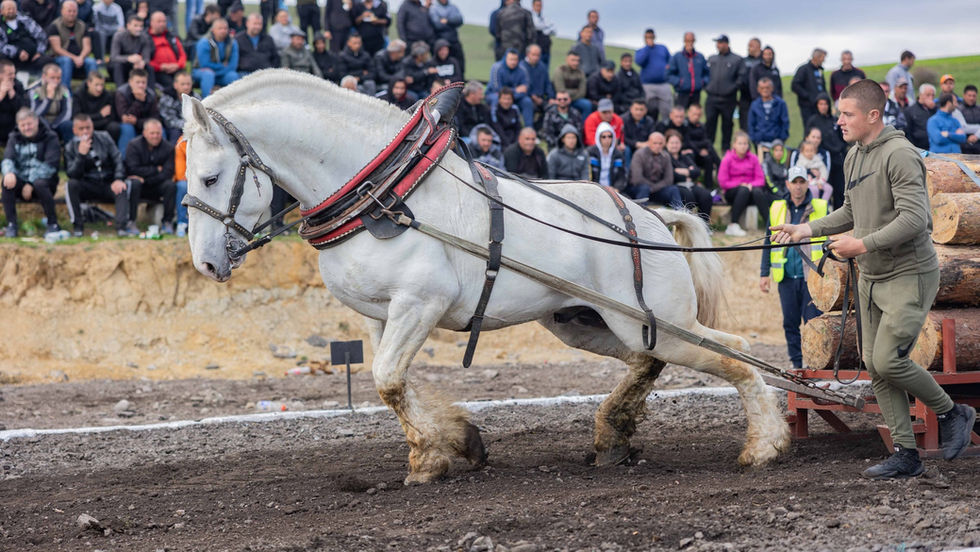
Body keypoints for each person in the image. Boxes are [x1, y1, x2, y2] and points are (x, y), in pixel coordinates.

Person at [771, 79, 977, 479]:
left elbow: (916, 219)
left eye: (847, 114)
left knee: (887, 359)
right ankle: (906, 454)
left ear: (872, 115)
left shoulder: (899, 155)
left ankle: (954, 413)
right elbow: (850, 210)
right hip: (872, 277)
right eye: (840, 113)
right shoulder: (853, 156)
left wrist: (861, 245)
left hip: (909, 274)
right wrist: (805, 229)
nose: (840, 121)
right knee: (874, 365)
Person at [760, 165, 826, 369]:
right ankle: (797, 364)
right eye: (794, 182)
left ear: (807, 184)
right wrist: (764, 273)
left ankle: (815, 364)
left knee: (813, 323)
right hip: (787, 276)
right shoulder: (777, 207)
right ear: (787, 184)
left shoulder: (821, 207)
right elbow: (768, 242)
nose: (798, 187)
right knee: (790, 323)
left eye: (802, 182)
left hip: (813, 277)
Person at [64, 113, 138, 236]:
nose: (86, 131)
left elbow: (118, 158)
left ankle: (121, 227)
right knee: (71, 185)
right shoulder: (70, 147)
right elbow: (72, 174)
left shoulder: (104, 137)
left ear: (92, 126)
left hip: (108, 182)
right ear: (74, 130)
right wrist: (81, 156)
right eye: (81, 129)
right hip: (88, 184)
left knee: (122, 186)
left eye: (88, 127)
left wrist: (118, 178)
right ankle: (78, 226)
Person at [1, 108, 61, 237]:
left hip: (44, 183)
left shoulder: (50, 137)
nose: (27, 128)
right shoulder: (13, 137)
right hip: (22, 181)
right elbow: (7, 159)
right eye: (23, 125)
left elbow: (51, 166)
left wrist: (30, 183)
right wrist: (9, 172)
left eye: (29, 124)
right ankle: (11, 225)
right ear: (18, 125)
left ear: (37, 121)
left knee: (40, 183)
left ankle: (53, 223)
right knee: (7, 181)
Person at [124, 117, 175, 233]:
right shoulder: (133, 145)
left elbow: (168, 172)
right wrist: (156, 169)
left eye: (158, 133)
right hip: (139, 186)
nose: (155, 136)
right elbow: (132, 169)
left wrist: (147, 178)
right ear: (145, 133)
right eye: (152, 133)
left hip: (156, 185)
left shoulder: (169, 148)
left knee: (170, 185)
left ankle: (167, 222)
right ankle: (131, 221)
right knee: (134, 183)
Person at [718, 130, 769, 236]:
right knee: (743, 190)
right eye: (740, 143)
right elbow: (723, 182)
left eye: (745, 143)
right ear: (734, 145)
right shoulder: (727, 159)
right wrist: (741, 184)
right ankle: (733, 225)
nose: (743, 146)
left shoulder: (753, 158)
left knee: (758, 192)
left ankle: (769, 225)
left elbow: (761, 179)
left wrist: (750, 185)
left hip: (750, 190)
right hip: (732, 192)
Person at [806, 93, 847, 208]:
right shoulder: (813, 121)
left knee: (840, 189)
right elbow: (808, 140)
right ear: (817, 105)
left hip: (838, 159)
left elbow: (842, 137)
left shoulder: (834, 120)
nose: (823, 106)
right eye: (821, 104)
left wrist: (842, 149)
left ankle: (840, 214)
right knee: (825, 188)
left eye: (825, 104)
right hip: (822, 158)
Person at [705, 34, 744, 152]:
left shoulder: (736, 59)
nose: (718, 45)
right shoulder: (712, 59)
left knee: (727, 126)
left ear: (726, 44)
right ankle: (708, 151)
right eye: (717, 43)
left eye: (721, 43)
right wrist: (706, 87)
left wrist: (731, 89)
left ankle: (726, 152)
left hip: (728, 99)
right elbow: (704, 74)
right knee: (710, 124)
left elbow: (741, 78)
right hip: (712, 98)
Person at [48, 1, 98, 88]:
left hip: (80, 58)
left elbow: (87, 47)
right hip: (60, 58)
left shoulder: (82, 25)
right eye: (69, 11)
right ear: (62, 11)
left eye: (74, 11)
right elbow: (57, 49)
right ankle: (66, 93)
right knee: (66, 61)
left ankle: (92, 90)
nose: (72, 14)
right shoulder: (54, 26)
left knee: (91, 62)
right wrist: (74, 58)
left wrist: (81, 57)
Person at [665, 129, 712, 220]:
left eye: (677, 143)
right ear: (666, 144)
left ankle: (703, 225)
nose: (674, 145)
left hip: (690, 185)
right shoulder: (665, 157)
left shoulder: (685, 157)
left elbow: (697, 172)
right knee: (688, 197)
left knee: (706, 195)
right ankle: (687, 226)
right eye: (672, 143)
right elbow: (671, 175)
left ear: (681, 144)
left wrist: (683, 171)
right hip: (674, 187)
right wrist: (688, 173)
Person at [628, 131, 681, 207]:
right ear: (649, 143)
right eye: (655, 143)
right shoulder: (639, 154)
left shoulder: (666, 156)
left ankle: (680, 215)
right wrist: (651, 187)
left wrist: (654, 187)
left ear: (664, 144)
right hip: (639, 189)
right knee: (644, 188)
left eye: (660, 144)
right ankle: (642, 216)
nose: (658, 146)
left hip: (657, 189)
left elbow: (669, 179)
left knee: (674, 189)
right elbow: (637, 179)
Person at [114, 67, 159, 155]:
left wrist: (137, 122)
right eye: (138, 82)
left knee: (158, 129)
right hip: (125, 124)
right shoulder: (121, 93)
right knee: (127, 128)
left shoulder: (151, 95)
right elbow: (125, 117)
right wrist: (138, 101)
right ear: (130, 82)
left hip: (142, 123)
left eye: (143, 82)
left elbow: (155, 117)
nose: (141, 85)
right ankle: (125, 159)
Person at [0, 0, 53, 74]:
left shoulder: (25, 20)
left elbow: (41, 36)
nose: (11, 11)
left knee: (48, 61)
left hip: (33, 57)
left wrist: (39, 52)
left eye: (13, 8)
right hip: (12, 58)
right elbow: (1, 47)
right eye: (9, 9)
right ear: (1, 11)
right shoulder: (1, 26)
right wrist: (18, 52)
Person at [193, 18, 240, 98]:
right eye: (220, 28)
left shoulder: (233, 43)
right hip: (200, 71)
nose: (223, 31)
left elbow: (233, 65)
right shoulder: (204, 42)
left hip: (222, 73)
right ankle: (206, 103)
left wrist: (219, 71)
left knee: (233, 76)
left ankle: (233, 102)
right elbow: (204, 64)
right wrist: (222, 66)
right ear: (213, 30)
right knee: (208, 74)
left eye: (225, 28)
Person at [486, 48, 533, 128]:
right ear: (505, 58)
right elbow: (497, 89)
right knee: (496, 99)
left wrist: (512, 96)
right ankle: (494, 126)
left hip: (516, 97)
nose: (513, 62)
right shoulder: (496, 68)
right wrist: (515, 90)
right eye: (511, 59)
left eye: (515, 59)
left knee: (527, 101)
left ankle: (529, 128)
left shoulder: (522, 70)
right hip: (495, 95)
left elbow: (525, 89)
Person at [27, 63, 73, 143]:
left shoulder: (64, 90)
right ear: (44, 77)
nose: (55, 81)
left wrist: (54, 125)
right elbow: (35, 113)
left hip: (57, 122)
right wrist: (48, 99)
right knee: (40, 122)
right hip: (42, 122)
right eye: (52, 78)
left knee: (68, 125)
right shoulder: (34, 90)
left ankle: (68, 149)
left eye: (58, 78)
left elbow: (67, 112)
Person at [72, 70, 119, 141]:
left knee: (114, 127)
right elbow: (77, 116)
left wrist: (93, 122)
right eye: (96, 85)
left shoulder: (107, 96)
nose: (99, 88)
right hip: (84, 125)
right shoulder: (78, 95)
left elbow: (111, 118)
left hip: (101, 124)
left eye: (102, 85)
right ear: (88, 83)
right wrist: (99, 115)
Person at [665, 31, 707, 111]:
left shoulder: (700, 57)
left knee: (694, 116)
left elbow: (707, 73)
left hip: (696, 93)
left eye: (692, 41)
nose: (690, 43)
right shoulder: (677, 57)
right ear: (684, 41)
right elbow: (668, 74)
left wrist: (702, 82)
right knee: (679, 117)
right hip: (681, 93)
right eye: (688, 40)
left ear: (694, 41)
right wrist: (679, 82)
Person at [635, 27, 671, 120]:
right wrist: (648, 47)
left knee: (666, 110)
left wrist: (668, 67)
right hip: (648, 85)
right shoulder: (641, 51)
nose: (650, 39)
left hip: (663, 84)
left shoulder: (662, 48)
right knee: (649, 110)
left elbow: (670, 61)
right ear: (644, 38)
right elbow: (639, 61)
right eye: (647, 37)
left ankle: (665, 129)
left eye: (651, 37)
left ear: (654, 36)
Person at [109, 14, 153, 87]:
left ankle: (151, 92)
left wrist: (142, 62)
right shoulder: (119, 36)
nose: (138, 28)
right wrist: (129, 58)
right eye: (135, 26)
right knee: (118, 66)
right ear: (128, 25)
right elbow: (114, 57)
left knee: (149, 68)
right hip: (121, 64)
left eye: (141, 26)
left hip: (136, 64)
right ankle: (120, 91)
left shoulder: (145, 37)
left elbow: (146, 57)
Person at [748, 77, 789, 152]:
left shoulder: (780, 104)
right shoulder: (754, 105)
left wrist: (782, 138)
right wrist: (754, 139)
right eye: (762, 88)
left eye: (767, 87)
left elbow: (785, 121)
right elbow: (751, 123)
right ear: (758, 89)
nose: (765, 90)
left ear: (772, 88)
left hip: (777, 141)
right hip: (760, 141)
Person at [146, 11, 185, 90]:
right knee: (172, 86)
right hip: (158, 72)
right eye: (159, 21)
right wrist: (160, 67)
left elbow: (182, 54)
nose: (162, 24)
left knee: (185, 82)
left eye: (164, 21)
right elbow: (144, 59)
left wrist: (177, 65)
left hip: (176, 68)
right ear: (151, 22)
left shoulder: (171, 36)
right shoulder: (145, 37)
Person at [686, 103, 720, 190]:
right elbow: (687, 143)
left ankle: (709, 187)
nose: (696, 117)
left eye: (698, 115)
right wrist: (699, 150)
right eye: (694, 114)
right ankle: (720, 165)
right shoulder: (685, 125)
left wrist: (705, 150)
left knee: (708, 158)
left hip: (700, 153)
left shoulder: (701, 126)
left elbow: (706, 141)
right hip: (690, 154)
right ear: (688, 113)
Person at [791, 48, 827, 128]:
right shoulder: (803, 69)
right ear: (816, 57)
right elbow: (795, 85)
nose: (823, 61)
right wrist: (808, 96)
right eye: (822, 58)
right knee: (810, 128)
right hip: (807, 107)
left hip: (820, 106)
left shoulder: (819, 70)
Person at [587, 121, 626, 190]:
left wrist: (617, 188)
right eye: (603, 137)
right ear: (599, 137)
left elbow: (622, 176)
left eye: (609, 136)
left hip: (613, 190)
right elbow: (586, 173)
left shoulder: (618, 155)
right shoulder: (590, 152)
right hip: (594, 189)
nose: (607, 139)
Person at [157, 71, 195, 140]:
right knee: (175, 132)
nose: (186, 87)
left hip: (190, 127)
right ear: (175, 85)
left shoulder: (196, 97)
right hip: (171, 128)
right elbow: (169, 121)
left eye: (188, 84)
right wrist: (188, 125)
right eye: (183, 84)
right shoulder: (167, 98)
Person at [428, 0, 463, 76]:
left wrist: (447, 20)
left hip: (454, 41)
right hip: (440, 41)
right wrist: (452, 23)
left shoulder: (453, 7)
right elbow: (437, 25)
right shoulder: (434, 8)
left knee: (459, 64)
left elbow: (460, 20)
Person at [552, 50, 590, 116]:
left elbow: (582, 92)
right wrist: (575, 91)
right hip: (562, 100)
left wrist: (570, 97)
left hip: (576, 100)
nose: (575, 63)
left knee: (587, 104)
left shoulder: (581, 73)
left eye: (577, 60)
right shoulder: (560, 71)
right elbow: (560, 90)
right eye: (573, 60)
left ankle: (583, 125)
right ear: (567, 60)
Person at [520, 43, 552, 120]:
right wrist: (532, 97)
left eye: (538, 55)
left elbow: (547, 84)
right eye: (533, 55)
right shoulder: (521, 67)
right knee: (529, 105)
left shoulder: (542, 67)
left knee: (553, 108)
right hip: (527, 98)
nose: (536, 58)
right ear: (527, 54)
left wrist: (551, 97)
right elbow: (522, 86)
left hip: (541, 98)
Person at [0, 59, 27, 146]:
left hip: (12, 125)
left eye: (14, 73)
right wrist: (1, 94)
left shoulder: (17, 85)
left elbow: (24, 109)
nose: (13, 76)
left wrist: (13, 95)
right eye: (10, 74)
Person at [738, 37, 762, 132]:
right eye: (749, 46)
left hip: (760, 98)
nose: (749, 48)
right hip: (745, 98)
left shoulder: (763, 62)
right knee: (745, 126)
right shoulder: (743, 61)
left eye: (752, 46)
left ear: (758, 47)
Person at [904, 83, 936, 151]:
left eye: (933, 95)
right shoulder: (910, 110)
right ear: (920, 95)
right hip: (919, 147)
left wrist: (934, 109)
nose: (931, 98)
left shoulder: (936, 109)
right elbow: (908, 132)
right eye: (928, 95)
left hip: (934, 146)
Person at [529, 0, 555, 69]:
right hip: (537, 47)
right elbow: (537, 26)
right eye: (537, 5)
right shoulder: (530, 16)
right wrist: (546, 27)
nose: (539, 8)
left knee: (545, 69)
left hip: (546, 48)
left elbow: (553, 29)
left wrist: (545, 27)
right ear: (533, 6)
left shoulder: (544, 17)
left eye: (540, 6)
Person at [959, 85, 980, 154]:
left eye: (974, 96)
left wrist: (976, 136)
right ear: (964, 95)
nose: (971, 98)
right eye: (969, 95)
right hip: (964, 147)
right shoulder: (958, 110)